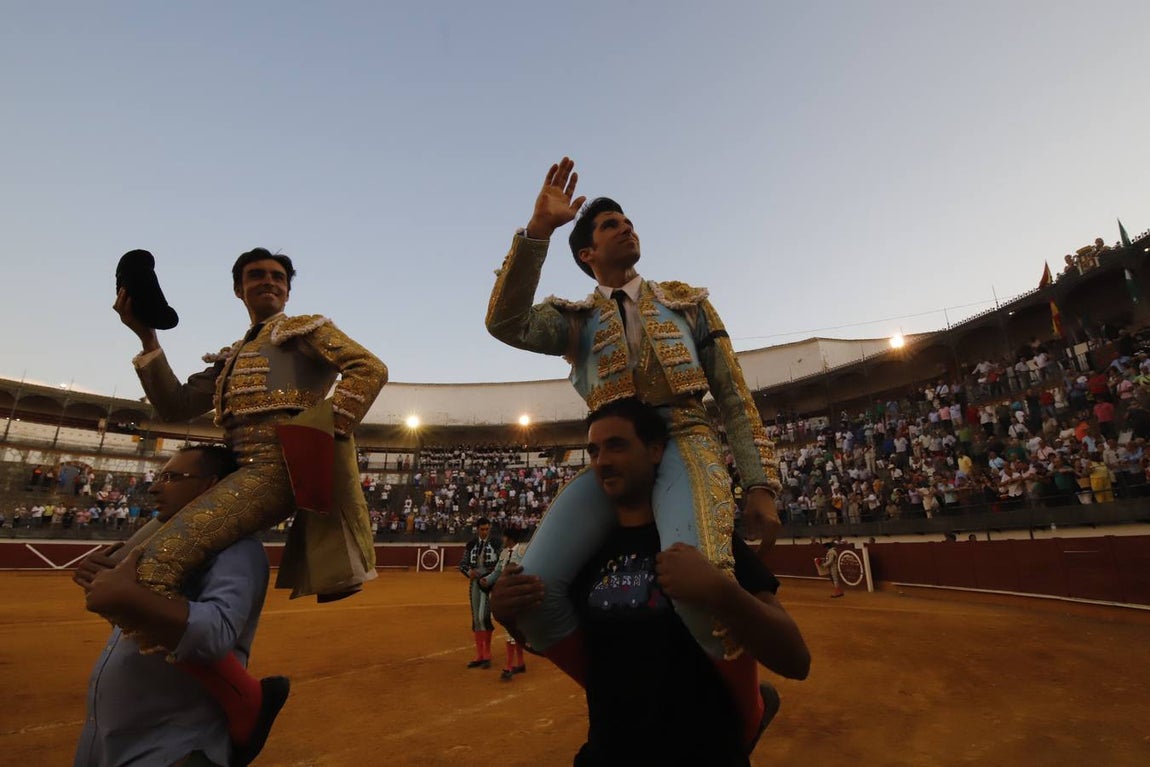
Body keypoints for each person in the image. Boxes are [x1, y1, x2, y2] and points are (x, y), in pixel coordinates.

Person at [485, 158, 782, 738]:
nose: (625, 227)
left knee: (700, 584)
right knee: (532, 598)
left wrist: (760, 482)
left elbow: (732, 394)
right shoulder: (574, 321)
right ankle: (626, 696)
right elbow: (505, 321)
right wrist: (537, 231)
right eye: (608, 226)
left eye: (626, 220)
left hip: (687, 441)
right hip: (613, 454)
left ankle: (747, 714)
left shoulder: (688, 304)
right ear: (586, 256)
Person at [111, 247, 387, 750]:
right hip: (236, 469)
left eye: (278, 276)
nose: (269, 282)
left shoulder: (304, 331)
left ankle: (242, 697)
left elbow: (369, 369)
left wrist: (321, 437)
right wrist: (147, 337)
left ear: (288, 288)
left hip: (279, 468)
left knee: (154, 568)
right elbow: (173, 403)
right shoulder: (232, 356)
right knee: (118, 562)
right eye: (256, 275)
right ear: (238, 289)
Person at [492, 398, 809, 765]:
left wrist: (722, 591)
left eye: (617, 445)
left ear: (656, 450)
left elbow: (796, 660)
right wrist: (510, 617)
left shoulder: (711, 538)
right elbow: (568, 646)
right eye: (594, 450)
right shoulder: (581, 556)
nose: (602, 461)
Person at [74, 446, 284, 767]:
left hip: (174, 749)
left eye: (172, 477)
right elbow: (145, 636)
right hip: (111, 743)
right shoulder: (160, 546)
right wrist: (105, 588)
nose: (156, 487)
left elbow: (215, 636)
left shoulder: (237, 550)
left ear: (209, 487)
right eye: (159, 476)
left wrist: (130, 597)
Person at [488, 526, 530, 680]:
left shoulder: (523, 551)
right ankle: (520, 663)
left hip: (516, 595)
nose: (502, 540)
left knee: (511, 631)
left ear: (510, 538)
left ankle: (509, 666)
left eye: (504, 537)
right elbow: (498, 572)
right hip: (507, 595)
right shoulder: (505, 553)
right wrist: (487, 580)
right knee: (515, 631)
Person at [459, 517, 501, 669]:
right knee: (477, 618)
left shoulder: (496, 543)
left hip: (489, 583)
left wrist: (490, 577)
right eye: (482, 529)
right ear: (477, 529)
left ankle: (487, 653)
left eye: (487, 529)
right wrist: (468, 571)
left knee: (484, 616)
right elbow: (462, 564)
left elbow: (500, 564)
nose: (485, 532)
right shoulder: (471, 544)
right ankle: (480, 655)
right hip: (475, 584)